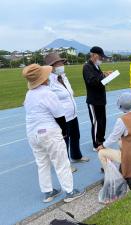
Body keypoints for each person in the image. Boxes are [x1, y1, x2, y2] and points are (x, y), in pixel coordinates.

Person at [22, 64, 85, 203]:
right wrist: (64, 131)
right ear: (43, 78)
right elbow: (59, 115)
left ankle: (48, 192)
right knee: (61, 162)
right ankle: (69, 192)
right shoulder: (48, 93)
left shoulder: (29, 94)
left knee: (42, 163)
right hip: (49, 132)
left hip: (32, 133)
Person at [97, 93, 131, 189]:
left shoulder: (122, 120)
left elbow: (112, 138)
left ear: (121, 106)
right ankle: (122, 170)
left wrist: (102, 146)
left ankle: (111, 179)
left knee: (101, 153)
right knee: (120, 140)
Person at [44, 53, 89, 173]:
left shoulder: (63, 77)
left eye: (61, 63)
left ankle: (76, 156)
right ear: (51, 66)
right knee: (64, 141)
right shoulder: (48, 81)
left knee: (75, 136)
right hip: (61, 117)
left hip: (72, 114)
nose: (61, 65)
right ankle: (65, 164)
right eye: (58, 63)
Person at [83, 46, 111, 151]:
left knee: (102, 121)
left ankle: (101, 140)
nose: (101, 59)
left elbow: (100, 81)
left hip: (101, 99)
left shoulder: (97, 66)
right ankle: (96, 144)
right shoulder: (87, 67)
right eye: (100, 57)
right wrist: (103, 75)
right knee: (95, 122)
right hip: (93, 100)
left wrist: (107, 77)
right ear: (94, 55)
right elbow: (92, 82)